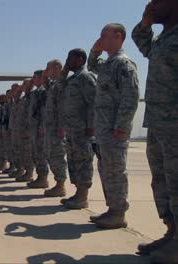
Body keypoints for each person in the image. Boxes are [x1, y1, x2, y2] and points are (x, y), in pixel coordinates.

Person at [132, 0, 178, 261]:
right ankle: (172, 234)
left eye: (159, 1)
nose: (152, 4)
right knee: (163, 182)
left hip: (175, 124)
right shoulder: (162, 39)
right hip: (159, 122)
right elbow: (143, 43)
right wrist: (146, 23)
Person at [88, 23, 139, 229]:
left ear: (118, 36)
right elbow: (92, 66)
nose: (100, 39)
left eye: (104, 35)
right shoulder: (109, 64)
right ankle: (112, 209)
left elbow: (131, 96)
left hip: (114, 130)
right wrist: (94, 51)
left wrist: (121, 126)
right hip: (103, 130)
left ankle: (118, 213)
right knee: (106, 169)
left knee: (116, 170)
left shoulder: (123, 64)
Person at [59, 49, 97, 210]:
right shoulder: (72, 79)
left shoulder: (86, 77)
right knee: (74, 161)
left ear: (80, 60)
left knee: (83, 161)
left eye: (70, 58)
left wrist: (90, 126)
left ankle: (83, 197)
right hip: (72, 129)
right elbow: (60, 87)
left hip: (83, 130)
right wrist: (65, 70)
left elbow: (93, 103)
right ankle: (78, 194)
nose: (67, 61)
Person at [42, 60, 68, 197]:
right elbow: (45, 84)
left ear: (57, 68)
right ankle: (58, 184)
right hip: (51, 127)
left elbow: (64, 107)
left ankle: (61, 186)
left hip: (58, 128)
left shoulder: (63, 83)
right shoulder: (53, 84)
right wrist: (45, 75)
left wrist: (62, 127)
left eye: (49, 68)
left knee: (57, 155)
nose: (47, 70)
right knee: (50, 154)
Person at [27, 70, 49, 189]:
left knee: (40, 153)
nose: (32, 80)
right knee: (35, 153)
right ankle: (40, 177)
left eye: (35, 77)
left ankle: (43, 179)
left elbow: (44, 111)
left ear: (41, 78)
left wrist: (43, 126)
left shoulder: (44, 91)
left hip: (39, 127)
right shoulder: (36, 92)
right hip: (34, 127)